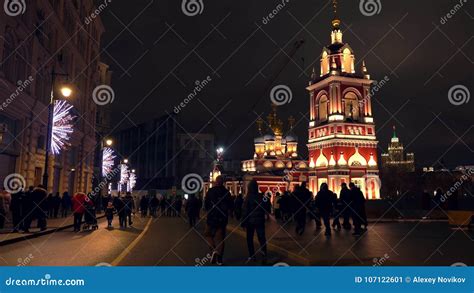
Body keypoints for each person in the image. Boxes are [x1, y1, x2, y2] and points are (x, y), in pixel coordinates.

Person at [204, 175, 233, 265]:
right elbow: (231, 206)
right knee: (220, 238)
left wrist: (209, 211)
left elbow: (206, 204)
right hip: (222, 218)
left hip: (211, 217)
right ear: (223, 182)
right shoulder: (227, 192)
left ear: (216, 182)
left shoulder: (211, 191)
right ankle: (219, 259)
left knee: (208, 234)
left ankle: (214, 250)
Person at [242, 180, 267, 263]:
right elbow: (265, 208)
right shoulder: (261, 197)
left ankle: (252, 255)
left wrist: (243, 223)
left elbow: (245, 211)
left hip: (250, 222)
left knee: (249, 238)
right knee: (262, 238)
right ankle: (264, 254)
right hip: (260, 221)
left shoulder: (248, 197)